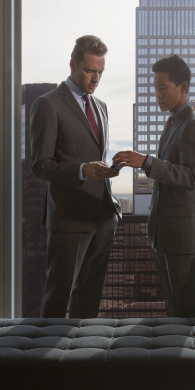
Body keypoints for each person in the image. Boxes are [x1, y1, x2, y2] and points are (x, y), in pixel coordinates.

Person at [112, 54, 195, 317]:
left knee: (188, 311)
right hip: (167, 234)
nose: (157, 94)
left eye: (163, 88)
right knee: (174, 310)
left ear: (183, 87)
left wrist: (146, 162)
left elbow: (191, 178)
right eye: (155, 88)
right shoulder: (172, 123)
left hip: (185, 237)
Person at [30, 35, 121, 318]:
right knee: (58, 297)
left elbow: (95, 154)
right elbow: (41, 165)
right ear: (73, 64)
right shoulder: (48, 104)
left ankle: (81, 357)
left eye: (100, 73)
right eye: (89, 71)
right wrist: (83, 170)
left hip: (102, 214)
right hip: (68, 218)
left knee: (89, 296)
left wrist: (109, 169)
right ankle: (47, 358)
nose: (96, 78)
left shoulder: (101, 106)